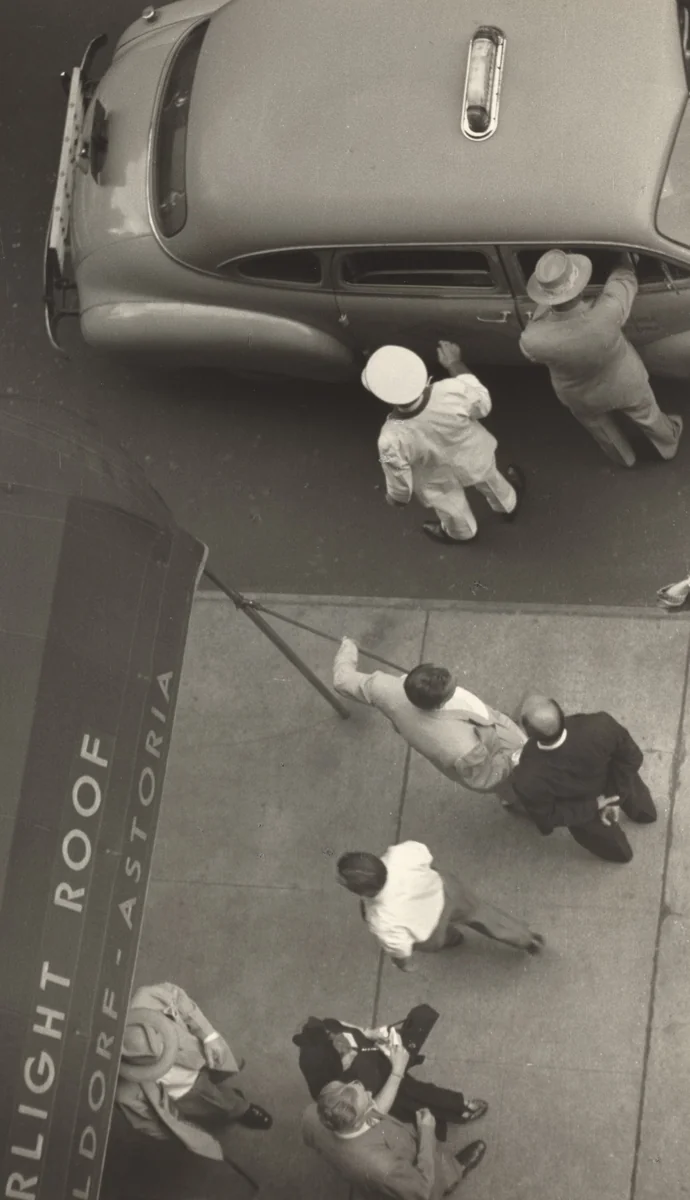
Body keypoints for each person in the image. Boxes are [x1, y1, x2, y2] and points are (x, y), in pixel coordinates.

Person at [519, 248, 683, 467]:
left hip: (578, 395)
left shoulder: (533, 338)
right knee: (647, 415)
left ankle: (625, 459)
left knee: (600, 428)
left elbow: (529, 353)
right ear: (578, 290)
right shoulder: (607, 311)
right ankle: (668, 445)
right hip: (624, 383)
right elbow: (624, 279)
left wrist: (547, 303)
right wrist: (623, 259)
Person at [362, 339, 525, 543]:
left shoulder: (389, 438)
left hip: (435, 477)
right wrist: (454, 364)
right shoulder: (451, 390)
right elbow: (483, 405)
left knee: (450, 505)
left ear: (385, 397)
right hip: (474, 455)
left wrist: (398, 497)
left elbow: (396, 471)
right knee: (491, 480)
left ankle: (462, 533)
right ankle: (507, 505)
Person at [333, 640, 526, 808]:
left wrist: (348, 647)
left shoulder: (383, 687)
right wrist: (515, 758)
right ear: (440, 703)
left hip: (490, 733)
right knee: (509, 784)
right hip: (495, 758)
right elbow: (486, 777)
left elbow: (342, 680)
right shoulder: (462, 749)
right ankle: (512, 799)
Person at [115, 981, 272, 1165]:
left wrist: (209, 1037)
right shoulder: (123, 1092)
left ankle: (227, 1089)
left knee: (224, 1067)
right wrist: (180, 1131)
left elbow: (177, 996)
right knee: (219, 1104)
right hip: (187, 1092)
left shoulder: (147, 998)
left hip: (199, 1053)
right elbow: (148, 1123)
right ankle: (240, 1108)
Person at [336, 841, 544, 972]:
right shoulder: (399, 855)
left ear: (363, 892)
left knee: (442, 937)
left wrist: (405, 966)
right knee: (482, 913)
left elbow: (399, 949)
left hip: (429, 930)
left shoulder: (381, 920)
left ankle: (454, 939)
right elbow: (425, 855)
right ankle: (526, 938)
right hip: (447, 893)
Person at [293, 1005, 488, 1141]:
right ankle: (452, 1116)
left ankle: (457, 1105)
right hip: (387, 1090)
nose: (351, 1051)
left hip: (384, 1065)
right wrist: (397, 1072)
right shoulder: (340, 1099)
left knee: (421, 1090)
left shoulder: (327, 1028)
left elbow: (349, 1028)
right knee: (412, 1106)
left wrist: (369, 1033)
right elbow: (373, 1113)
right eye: (344, 1057)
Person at [511, 695, 657, 862]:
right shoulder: (600, 725)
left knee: (606, 841)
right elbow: (632, 758)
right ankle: (646, 815)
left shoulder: (527, 776)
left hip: (582, 810)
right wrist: (614, 795)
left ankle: (622, 856)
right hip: (617, 779)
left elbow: (547, 818)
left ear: (528, 733)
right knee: (639, 800)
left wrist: (595, 805)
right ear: (561, 712)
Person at [302, 1078, 486, 1199]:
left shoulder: (311, 1115)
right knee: (435, 1179)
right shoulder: (381, 1167)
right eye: (366, 1098)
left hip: (374, 1177)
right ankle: (452, 1176)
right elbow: (422, 1190)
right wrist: (427, 1131)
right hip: (408, 1177)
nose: (369, 1093)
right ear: (357, 1121)